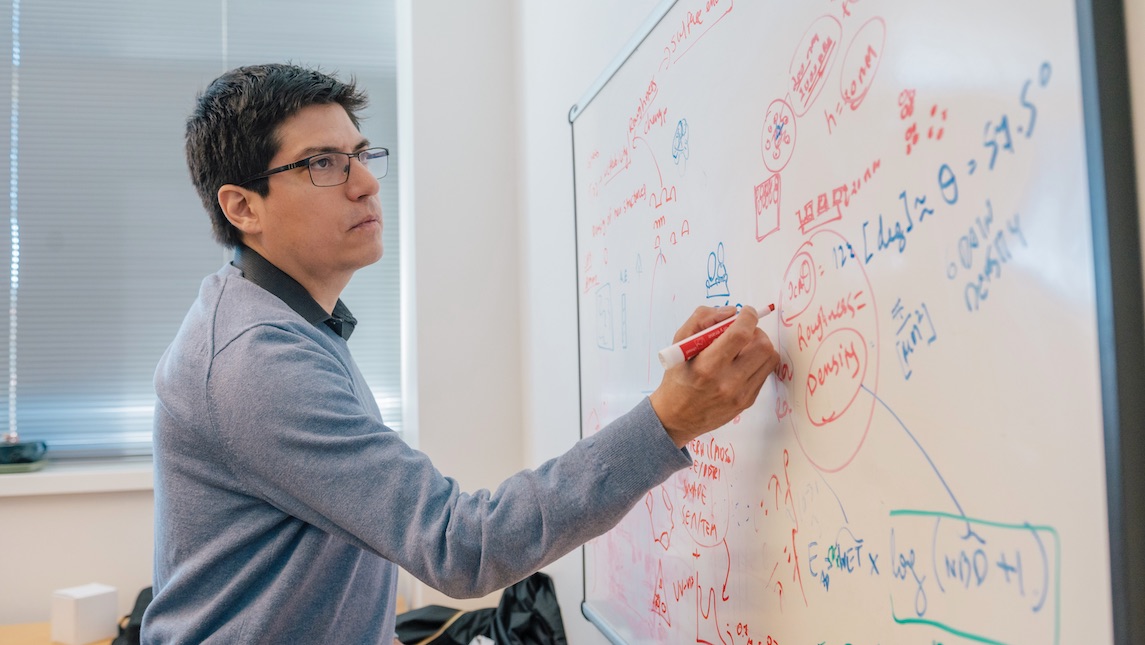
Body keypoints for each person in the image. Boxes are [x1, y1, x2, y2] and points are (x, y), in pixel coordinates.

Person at [143, 63, 780, 644]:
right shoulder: (254, 361)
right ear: (242, 207)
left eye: (360, 156)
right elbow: (458, 545)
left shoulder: (287, 323)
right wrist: (668, 419)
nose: (365, 184)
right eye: (323, 164)